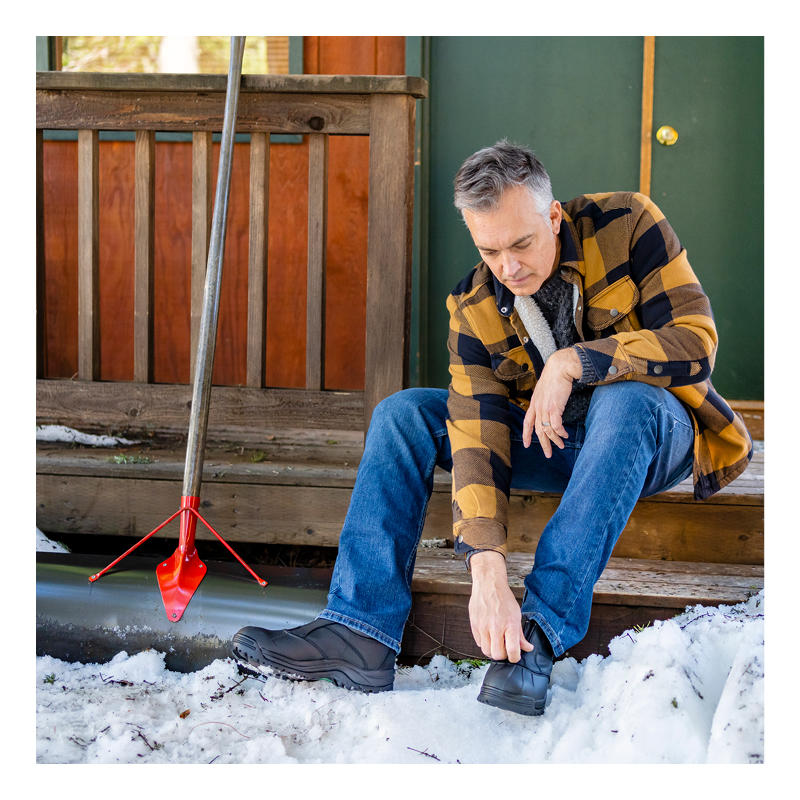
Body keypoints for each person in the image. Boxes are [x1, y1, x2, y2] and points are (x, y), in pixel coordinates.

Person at [232, 140, 752, 716]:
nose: (509, 267)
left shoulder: (627, 224)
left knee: (625, 399)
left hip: (652, 437)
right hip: (552, 444)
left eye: (521, 243)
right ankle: (360, 631)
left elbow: (695, 342)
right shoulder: (472, 305)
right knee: (404, 414)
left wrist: (575, 362)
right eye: (490, 250)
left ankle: (538, 635)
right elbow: (476, 434)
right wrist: (486, 565)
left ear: (553, 216)